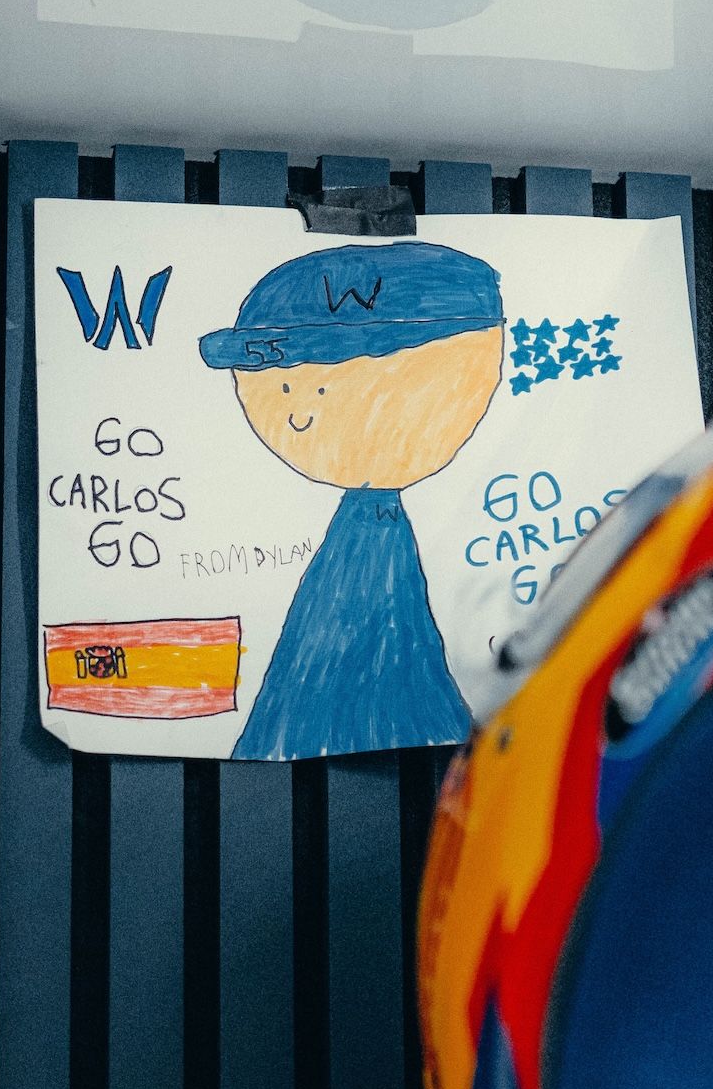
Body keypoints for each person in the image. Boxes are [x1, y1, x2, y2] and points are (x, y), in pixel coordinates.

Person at [200, 236, 503, 758]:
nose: (298, 416)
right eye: (284, 389)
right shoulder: (364, 540)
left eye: (319, 389)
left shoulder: (376, 541)